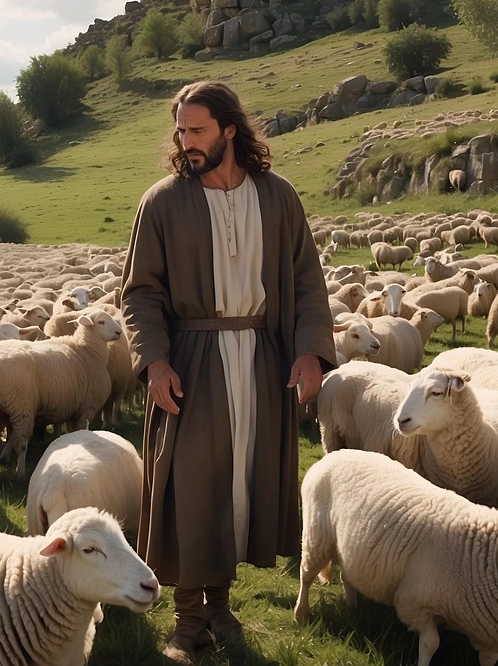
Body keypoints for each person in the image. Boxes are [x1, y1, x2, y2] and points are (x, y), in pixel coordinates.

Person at [119, 81, 336, 664]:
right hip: (192, 359)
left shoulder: (278, 196)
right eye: (182, 132)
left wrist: (311, 351)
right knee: (192, 481)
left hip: (263, 357)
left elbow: (309, 282)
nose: (187, 142)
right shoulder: (162, 202)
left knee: (242, 480)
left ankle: (221, 604)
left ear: (230, 130)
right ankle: (188, 615)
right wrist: (155, 362)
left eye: (199, 131)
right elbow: (140, 295)